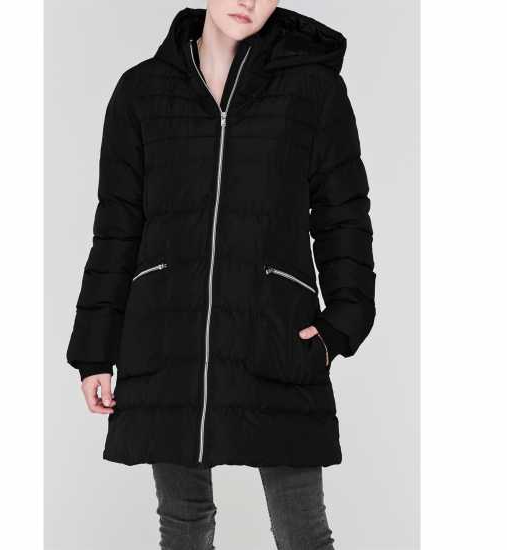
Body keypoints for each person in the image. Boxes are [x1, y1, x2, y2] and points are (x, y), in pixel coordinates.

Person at [67, 1, 376, 548]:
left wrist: (341, 324)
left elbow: (343, 216)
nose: (247, 2)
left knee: (302, 532)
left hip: (276, 333)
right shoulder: (141, 92)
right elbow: (116, 226)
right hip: (167, 334)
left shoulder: (313, 90)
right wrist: (95, 352)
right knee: (183, 526)